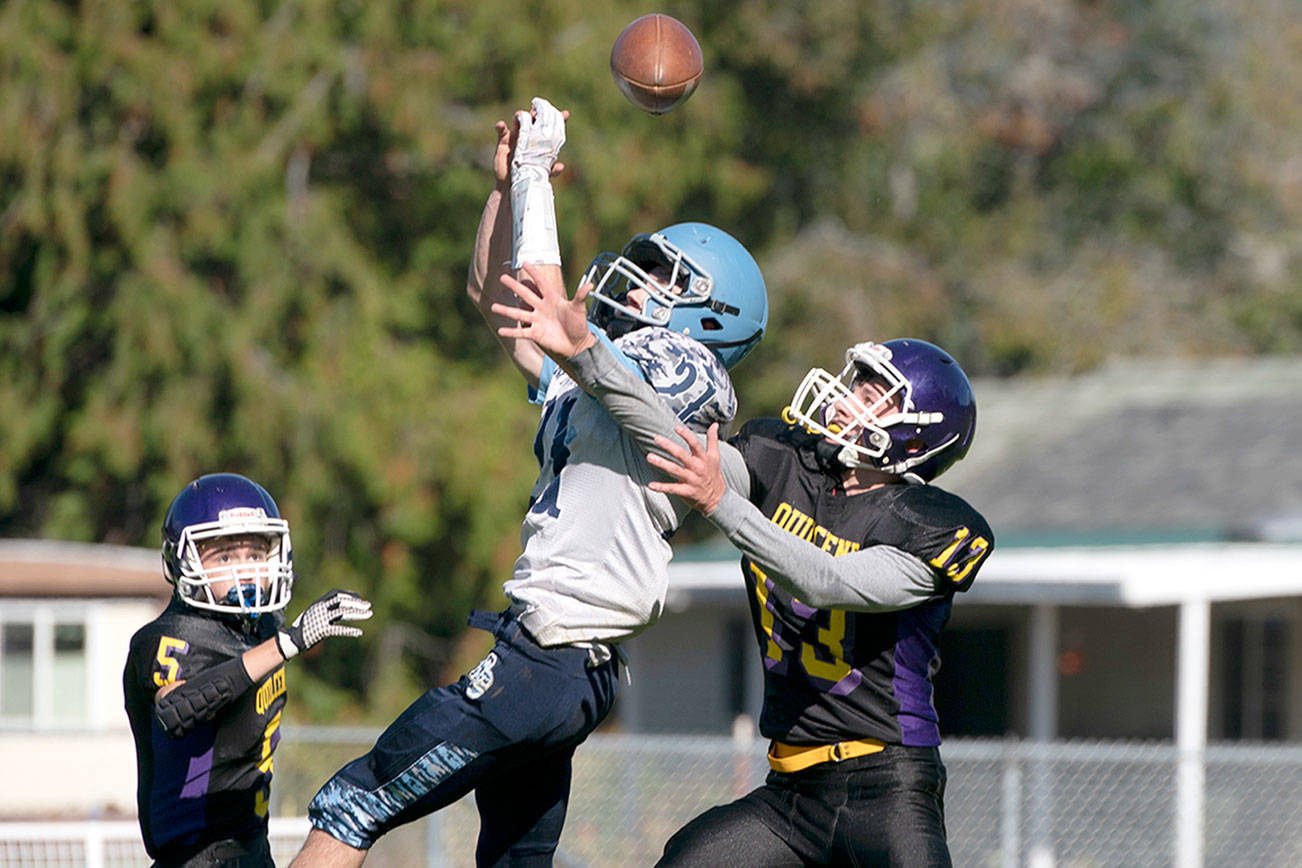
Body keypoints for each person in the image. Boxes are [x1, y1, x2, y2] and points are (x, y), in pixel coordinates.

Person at [291, 97, 768, 867]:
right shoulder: (606, 376)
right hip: (560, 662)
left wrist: (539, 179)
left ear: (710, 317)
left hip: (545, 661)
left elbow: (552, 315)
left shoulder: (688, 371)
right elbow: (499, 303)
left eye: (663, 278)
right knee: (514, 860)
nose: (638, 286)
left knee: (355, 799)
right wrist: (506, 186)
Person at [494, 267, 994, 866]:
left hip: (887, 787)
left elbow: (827, 580)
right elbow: (674, 443)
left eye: (869, 394)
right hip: (790, 789)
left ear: (915, 436)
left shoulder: (930, 525)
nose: (844, 396)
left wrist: (720, 503)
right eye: (854, 382)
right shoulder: (786, 462)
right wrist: (588, 355)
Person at [123, 472, 373, 867]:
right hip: (195, 858)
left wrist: (281, 641)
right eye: (224, 557)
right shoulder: (169, 637)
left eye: (255, 556)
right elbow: (177, 710)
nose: (245, 571)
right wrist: (285, 645)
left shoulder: (265, 629)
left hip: (253, 849)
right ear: (184, 559)